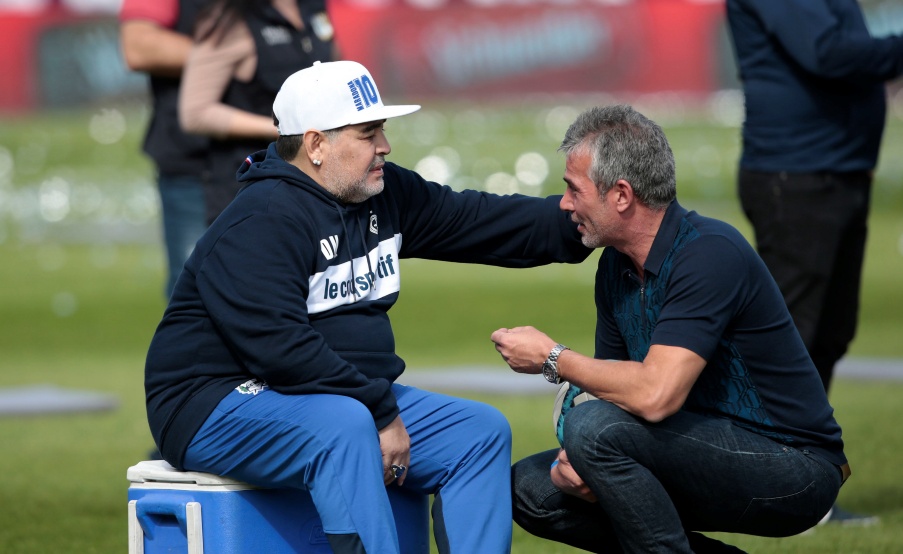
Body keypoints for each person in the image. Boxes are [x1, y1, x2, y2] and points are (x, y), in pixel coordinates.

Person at [144, 60, 591, 553]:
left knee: (477, 433)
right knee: (345, 428)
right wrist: (380, 411)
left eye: (382, 129)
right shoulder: (261, 219)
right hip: (214, 400)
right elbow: (281, 350)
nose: (385, 145)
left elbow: (482, 220)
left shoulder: (383, 193)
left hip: (329, 394)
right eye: (368, 132)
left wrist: (587, 222)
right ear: (316, 145)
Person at [490, 105, 849, 553]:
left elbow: (655, 396)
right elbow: (611, 393)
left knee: (595, 432)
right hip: (689, 447)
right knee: (529, 487)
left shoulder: (710, 253)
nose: (564, 204)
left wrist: (553, 358)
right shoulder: (614, 268)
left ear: (621, 195)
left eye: (573, 189)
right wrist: (574, 459)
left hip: (795, 467)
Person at [726, 0, 903, 524]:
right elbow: (825, 52)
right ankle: (770, 485)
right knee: (790, 339)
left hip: (834, 171)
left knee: (827, 333)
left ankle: (801, 480)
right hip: (797, 175)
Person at [179, 0, 336, 224]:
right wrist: (285, 129)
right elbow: (196, 114)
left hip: (316, 182)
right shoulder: (230, 17)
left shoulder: (314, 8)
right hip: (251, 187)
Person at [119, 0, 209, 297]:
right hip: (198, 163)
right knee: (198, 298)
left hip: (291, 158)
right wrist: (238, 54)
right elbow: (138, 46)